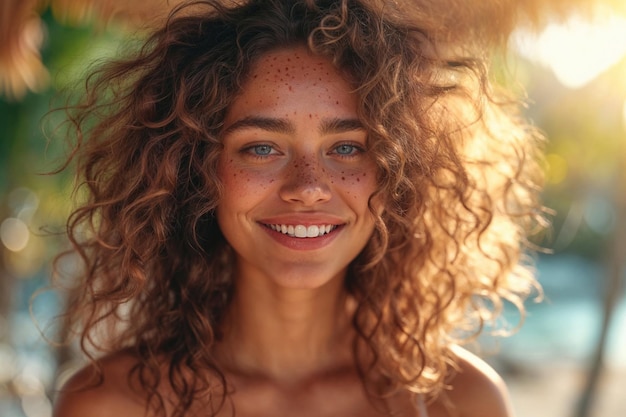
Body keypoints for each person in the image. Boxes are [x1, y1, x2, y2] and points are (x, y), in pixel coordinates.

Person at [51, 0, 545, 416]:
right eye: (262, 148)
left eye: (348, 147)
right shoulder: (111, 404)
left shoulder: (457, 402)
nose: (308, 188)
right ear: (194, 170)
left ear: (399, 172)